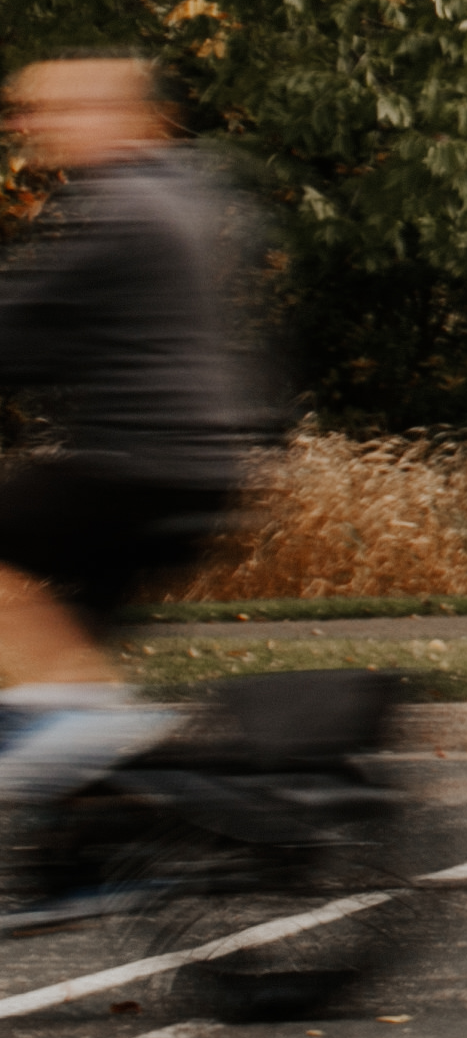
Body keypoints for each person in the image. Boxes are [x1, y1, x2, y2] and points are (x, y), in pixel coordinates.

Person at [0, 55, 288, 805]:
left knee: (68, 692)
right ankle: (93, 848)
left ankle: (86, 733)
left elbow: (20, 325)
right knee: (70, 652)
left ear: (121, 116)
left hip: (134, 466)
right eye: (29, 115)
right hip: (198, 468)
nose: (34, 130)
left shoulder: (119, 206)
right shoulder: (180, 194)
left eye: (58, 113)